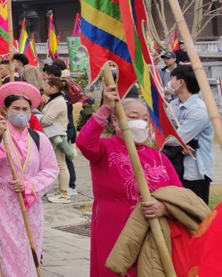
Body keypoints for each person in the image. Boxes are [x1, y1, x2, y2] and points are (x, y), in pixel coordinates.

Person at [78, 82, 182, 277]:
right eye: (133, 117)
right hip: (114, 227)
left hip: (153, 229)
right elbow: (84, 142)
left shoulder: (158, 156)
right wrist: (106, 108)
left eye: (145, 118)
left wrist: (164, 208)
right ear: (116, 121)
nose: (141, 122)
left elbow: (178, 193)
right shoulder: (105, 148)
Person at [0, 82, 59, 276]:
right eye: (16, 108)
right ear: (6, 110)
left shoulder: (39, 138)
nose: (21, 113)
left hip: (31, 203)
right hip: (3, 202)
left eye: (25, 109)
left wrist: (29, 185)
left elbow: (51, 170)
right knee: (8, 250)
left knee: (31, 247)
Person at [162, 65, 215, 205]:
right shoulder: (173, 105)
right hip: (174, 165)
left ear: (181, 82)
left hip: (195, 170)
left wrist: (175, 142)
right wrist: (177, 143)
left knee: (195, 214)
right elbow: (159, 133)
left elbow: (175, 139)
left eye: (172, 79)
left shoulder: (199, 110)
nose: (169, 83)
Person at [38, 77, 73, 204]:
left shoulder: (58, 101)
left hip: (56, 136)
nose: (44, 87)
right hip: (52, 135)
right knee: (58, 163)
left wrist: (34, 120)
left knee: (60, 164)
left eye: (46, 85)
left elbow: (48, 120)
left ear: (53, 88)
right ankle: (61, 190)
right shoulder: (53, 99)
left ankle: (64, 193)